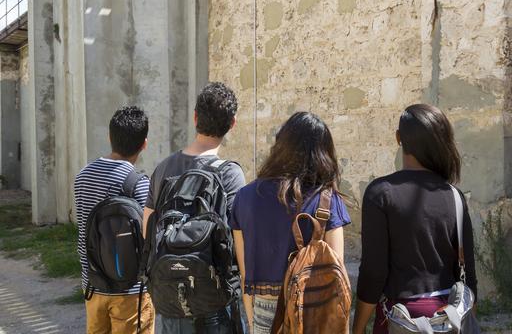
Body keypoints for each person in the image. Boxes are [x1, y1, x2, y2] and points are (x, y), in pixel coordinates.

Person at [353, 103, 478, 334]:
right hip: (449, 318)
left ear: (398, 138)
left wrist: (358, 327)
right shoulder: (454, 196)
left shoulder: (380, 193)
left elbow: (374, 272)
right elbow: (468, 275)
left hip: (400, 319)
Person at [230, 111, 351, 334]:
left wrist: (252, 318)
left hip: (264, 310)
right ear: (323, 153)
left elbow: (245, 273)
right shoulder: (327, 200)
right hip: (314, 310)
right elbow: (337, 273)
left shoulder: (245, 197)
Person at [143, 81, 246, 334]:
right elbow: (240, 242)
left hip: (169, 297)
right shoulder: (230, 175)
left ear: (195, 117)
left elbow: (148, 230)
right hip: (215, 301)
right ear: (232, 124)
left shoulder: (163, 169)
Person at [74, 105, 154, 334]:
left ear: (109, 137)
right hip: (130, 291)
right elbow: (148, 236)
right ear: (144, 144)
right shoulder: (138, 183)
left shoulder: (82, 177)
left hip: (93, 283)